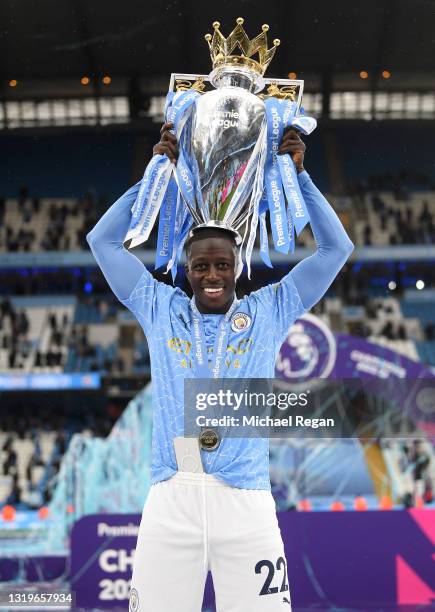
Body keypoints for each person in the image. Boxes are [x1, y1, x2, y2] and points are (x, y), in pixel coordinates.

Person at [87, 123, 353, 612]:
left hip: (246, 506)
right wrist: (152, 180)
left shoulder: (271, 309)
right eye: (202, 266)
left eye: (223, 265)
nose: (212, 275)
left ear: (237, 267)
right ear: (187, 270)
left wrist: (302, 180)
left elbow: (336, 251)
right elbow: (103, 243)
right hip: (172, 500)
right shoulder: (158, 306)